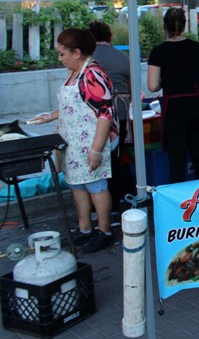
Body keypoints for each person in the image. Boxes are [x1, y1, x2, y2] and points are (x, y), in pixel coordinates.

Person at [32, 28, 117, 253]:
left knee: (96, 186)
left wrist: (96, 149)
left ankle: (105, 231)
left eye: (62, 54)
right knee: (77, 185)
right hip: (74, 144)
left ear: (77, 52)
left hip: (91, 142)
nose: (60, 58)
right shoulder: (75, 73)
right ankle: (85, 228)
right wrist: (51, 115)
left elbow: (104, 114)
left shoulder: (92, 74)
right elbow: (75, 104)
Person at [147, 8, 199, 183]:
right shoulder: (196, 47)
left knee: (176, 161)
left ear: (164, 26)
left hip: (175, 110)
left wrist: (167, 81)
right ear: (185, 25)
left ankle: (180, 204)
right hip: (197, 106)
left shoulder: (158, 51)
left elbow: (153, 85)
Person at [89, 20, 132, 218]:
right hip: (121, 111)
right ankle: (120, 201)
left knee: (99, 160)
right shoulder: (122, 56)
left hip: (97, 115)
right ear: (110, 36)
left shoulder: (87, 58)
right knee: (117, 158)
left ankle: (101, 208)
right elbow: (131, 89)